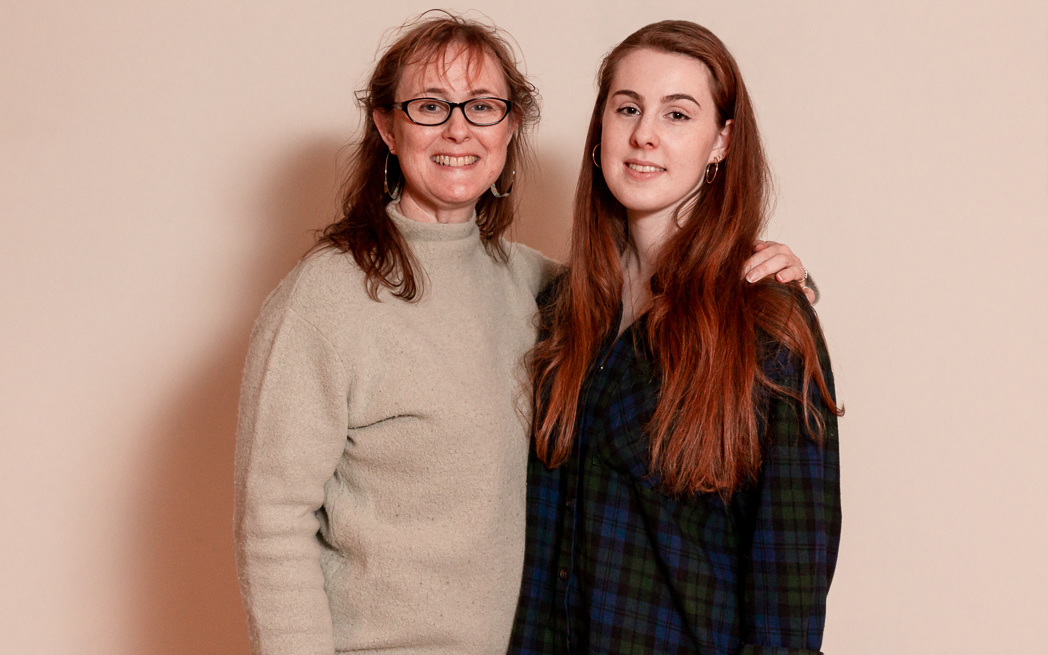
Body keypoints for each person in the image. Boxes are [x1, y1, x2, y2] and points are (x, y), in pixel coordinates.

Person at [234, 12, 812, 655]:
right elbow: (273, 521)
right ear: (387, 127)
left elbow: (786, 578)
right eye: (430, 105)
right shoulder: (329, 298)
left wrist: (766, 287)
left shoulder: (542, 290)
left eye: (482, 106)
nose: (458, 129)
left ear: (509, 127)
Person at [512, 20, 842, 655]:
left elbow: (789, 609)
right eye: (627, 108)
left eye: (678, 114)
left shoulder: (767, 324)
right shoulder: (558, 309)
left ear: (721, 142)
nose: (645, 134)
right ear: (599, 129)